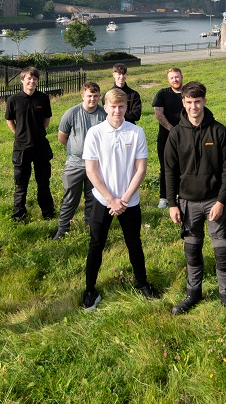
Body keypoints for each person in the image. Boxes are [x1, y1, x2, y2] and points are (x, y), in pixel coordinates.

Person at [165, 81, 226, 318]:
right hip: (187, 203)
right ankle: (193, 293)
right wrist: (172, 203)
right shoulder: (176, 134)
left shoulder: (218, 131)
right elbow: (169, 170)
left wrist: (221, 201)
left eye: (197, 102)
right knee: (192, 249)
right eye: (189, 102)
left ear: (205, 101)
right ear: (184, 103)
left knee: (222, 250)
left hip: (214, 201)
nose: (193, 107)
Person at [82, 87, 158, 310]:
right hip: (101, 199)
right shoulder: (95, 133)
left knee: (134, 243)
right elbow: (91, 170)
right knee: (96, 244)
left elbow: (141, 169)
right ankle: (89, 290)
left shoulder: (136, 132)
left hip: (129, 201)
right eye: (113, 107)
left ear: (127, 108)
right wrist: (110, 199)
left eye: (121, 107)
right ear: (104, 107)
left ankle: (142, 283)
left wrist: (123, 199)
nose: (117, 111)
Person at [53, 81, 107, 240]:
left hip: (96, 165)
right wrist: (76, 149)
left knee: (93, 198)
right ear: (83, 95)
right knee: (70, 198)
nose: (92, 99)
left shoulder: (103, 114)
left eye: (96, 96)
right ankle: (62, 231)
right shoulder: (72, 113)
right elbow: (62, 137)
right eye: (89, 96)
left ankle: (90, 228)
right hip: (74, 164)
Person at [5, 67, 54, 221]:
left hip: (41, 147)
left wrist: (38, 132)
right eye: (28, 78)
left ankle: (48, 213)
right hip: (21, 149)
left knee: (43, 184)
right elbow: (9, 120)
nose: (32, 81)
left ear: (37, 81)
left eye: (34, 79)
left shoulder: (43, 98)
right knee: (20, 185)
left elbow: (46, 119)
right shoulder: (13, 100)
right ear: (22, 80)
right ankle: (19, 215)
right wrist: (19, 133)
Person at [152, 67, 184, 209]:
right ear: (168, 80)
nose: (175, 80)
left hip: (186, 137)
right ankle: (164, 197)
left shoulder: (187, 93)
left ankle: (179, 194)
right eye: (172, 78)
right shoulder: (162, 94)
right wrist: (173, 130)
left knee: (183, 166)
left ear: (181, 77)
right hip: (166, 138)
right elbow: (159, 114)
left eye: (177, 77)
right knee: (165, 168)